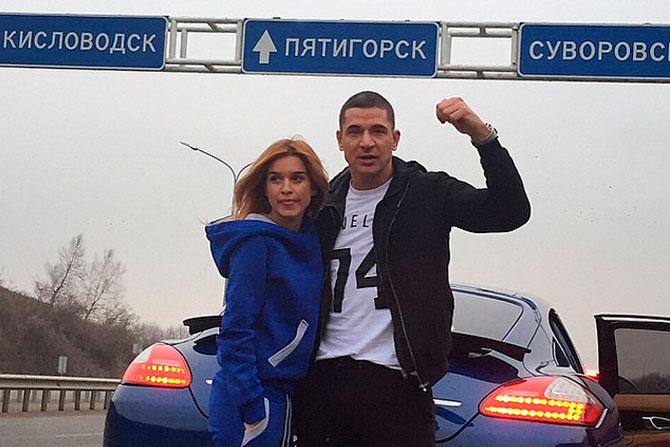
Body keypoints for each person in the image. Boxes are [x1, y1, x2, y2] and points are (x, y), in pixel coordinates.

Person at [294, 91, 531, 447]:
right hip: (323, 379)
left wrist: (481, 136)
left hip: (397, 383)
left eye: (378, 130)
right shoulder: (321, 204)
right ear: (340, 140)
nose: (367, 142)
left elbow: (510, 212)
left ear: (395, 138)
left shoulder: (426, 192)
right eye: (355, 132)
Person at [205, 138, 329, 447]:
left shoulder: (308, 241)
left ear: (313, 188)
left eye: (297, 179)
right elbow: (235, 329)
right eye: (276, 179)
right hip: (252, 398)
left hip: (282, 394)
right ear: (265, 188)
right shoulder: (255, 243)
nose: (286, 189)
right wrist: (252, 406)